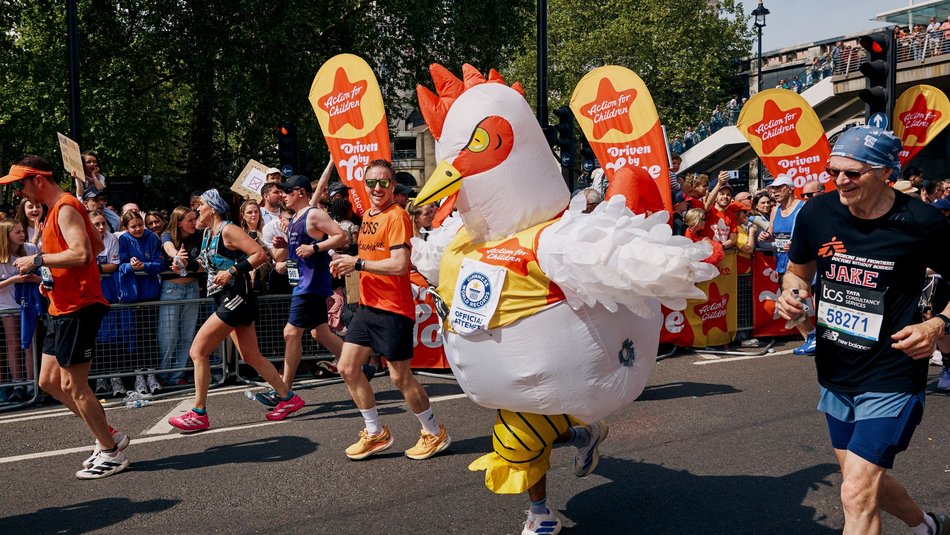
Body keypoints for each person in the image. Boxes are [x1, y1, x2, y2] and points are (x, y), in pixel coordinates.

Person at [777, 126, 950, 535]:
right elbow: (797, 272)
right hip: (836, 371)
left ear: (886, 172)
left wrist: (937, 324)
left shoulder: (922, 221)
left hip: (893, 372)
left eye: (852, 173)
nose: (840, 181)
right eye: (833, 171)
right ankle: (927, 526)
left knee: (855, 492)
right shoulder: (817, 213)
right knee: (863, 482)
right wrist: (792, 294)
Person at [3, 155, 129, 479]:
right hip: (60, 305)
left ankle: (111, 452)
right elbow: (97, 245)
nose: (18, 192)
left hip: (79, 306)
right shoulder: (56, 210)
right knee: (48, 382)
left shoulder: (65, 207)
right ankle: (108, 434)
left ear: (38, 180)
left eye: (20, 184)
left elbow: (83, 253)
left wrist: (38, 261)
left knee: (74, 385)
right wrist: (49, 275)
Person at [329, 159, 451, 460]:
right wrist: (346, 262)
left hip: (394, 310)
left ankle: (433, 432)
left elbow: (399, 265)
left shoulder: (397, 216)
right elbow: (372, 255)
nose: (377, 188)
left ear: (392, 185)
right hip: (368, 307)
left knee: (400, 377)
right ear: (365, 185)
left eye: (383, 182)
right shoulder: (369, 216)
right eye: (371, 182)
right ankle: (375, 432)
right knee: (347, 368)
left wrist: (357, 263)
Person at [167, 190, 304, 431]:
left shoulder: (229, 230)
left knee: (198, 351)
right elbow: (208, 266)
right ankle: (288, 398)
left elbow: (259, 255)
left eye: (201, 205)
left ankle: (199, 413)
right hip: (226, 298)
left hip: (237, 297)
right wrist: (185, 264)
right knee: (251, 356)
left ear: (213, 209)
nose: (197, 209)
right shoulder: (208, 234)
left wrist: (232, 272)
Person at [253, 175, 347, 407]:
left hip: (310, 285)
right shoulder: (296, 218)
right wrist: (287, 246)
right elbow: (301, 248)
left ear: (301, 192)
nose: (282, 195)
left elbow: (341, 237)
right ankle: (360, 364)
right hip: (302, 283)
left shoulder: (314, 214)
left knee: (290, 333)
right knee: (320, 333)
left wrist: (314, 247)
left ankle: (284, 391)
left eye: (287, 191)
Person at [116, 210, 164, 394]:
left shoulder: (151, 237)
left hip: (150, 294)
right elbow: (120, 264)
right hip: (132, 295)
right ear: (126, 227)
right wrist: (131, 266)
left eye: (140, 225)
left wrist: (144, 266)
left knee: (149, 336)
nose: (138, 229)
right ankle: (138, 375)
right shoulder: (123, 239)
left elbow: (160, 264)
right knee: (133, 337)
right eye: (133, 226)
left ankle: (151, 374)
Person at [768, 175, 815, 355]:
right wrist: (766, 236)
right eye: (773, 189)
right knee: (794, 305)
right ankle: (810, 338)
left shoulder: (803, 207)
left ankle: (823, 339)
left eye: (779, 188)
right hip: (783, 265)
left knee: (816, 303)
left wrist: (797, 244)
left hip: (804, 264)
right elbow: (771, 233)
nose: (775, 192)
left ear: (790, 188)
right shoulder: (775, 210)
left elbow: (814, 233)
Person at [158, 206, 201, 386]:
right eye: (190, 220)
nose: (194, 223)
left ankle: (177, 375)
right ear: (179, 222)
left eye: (194, 219)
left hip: (192, 288)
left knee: (187, 334)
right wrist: (177, 256)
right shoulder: (167, 235)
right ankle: (163, 374)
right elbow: (168, 247)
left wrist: (187, 263)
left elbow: (202, 261)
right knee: (169, 335)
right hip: (171, 290)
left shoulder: (198, 235)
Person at [0, 219, 41, 403]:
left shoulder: (30, 249)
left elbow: (44, 273)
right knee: (13, 344)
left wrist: (34, 278)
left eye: (22, 231)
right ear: (6, 235)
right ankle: (17, 385)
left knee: (30, 345)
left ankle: (32, 385)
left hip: (28, 303)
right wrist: (13, 279)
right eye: (17, 232)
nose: (22, 235)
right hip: (7, 306)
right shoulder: (1, 256)